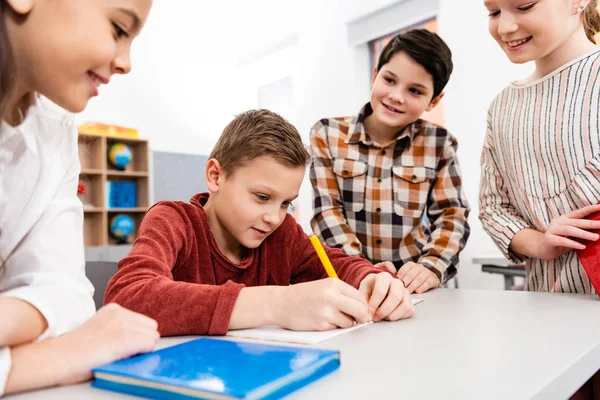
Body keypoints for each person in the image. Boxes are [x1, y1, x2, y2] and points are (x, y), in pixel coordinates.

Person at [104, 109, 416, 336]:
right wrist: (278, 304)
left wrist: (372, 279)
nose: (274, 217)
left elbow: (336, 264)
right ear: (216, 176)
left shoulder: (283, 233)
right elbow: (128, 297)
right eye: (262, 197)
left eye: (286, 203)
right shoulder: (174, 221)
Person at [0, 0, 159, 395]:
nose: (125, 63)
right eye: (120, 29)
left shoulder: (54, 127)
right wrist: (60, 355)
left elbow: (67, 293)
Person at [480, 0, 600, 397]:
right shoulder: (502, 107)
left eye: (523, 5)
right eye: (493, 11)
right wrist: (539, 242)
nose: (505, 26)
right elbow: (492, 206)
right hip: (547, 319)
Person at [310, 29, 470, 294]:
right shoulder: (327, 134)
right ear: (375, 75)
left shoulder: (440, 144)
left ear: (434, 101)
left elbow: (452, 215)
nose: (397, 96)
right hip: (347, 281)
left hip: (411, 287)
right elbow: (327, 212)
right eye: (389, 80)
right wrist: (361, 271)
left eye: (415, 91)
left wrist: (430, 268)